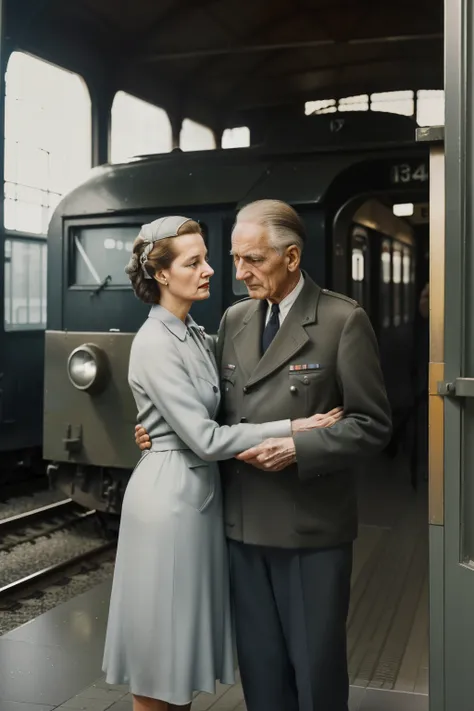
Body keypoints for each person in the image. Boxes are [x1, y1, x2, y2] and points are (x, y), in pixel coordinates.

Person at [135, 200, 392, 711]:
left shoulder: (342, 320)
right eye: (234, 258)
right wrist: (153, 429)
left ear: (291, 258)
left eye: (252, 260)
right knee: (262, 677)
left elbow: (372, 425)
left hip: (310, 533)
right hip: (242, 530)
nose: (238, 272)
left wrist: (300, 446)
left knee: (315, 675)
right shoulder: (234, 320)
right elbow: (200, 402)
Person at [102, 215, 343, 711]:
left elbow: (222, 404)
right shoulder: (154, 341)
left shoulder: (196, 332)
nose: (212, 270)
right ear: (162, 275)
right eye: (195, 262)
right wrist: (295, 426)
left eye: (208, 258)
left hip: (195, 501)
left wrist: (158, 427)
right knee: (160, 660)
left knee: (177, 657)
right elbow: (207, 437)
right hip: (170, 507)